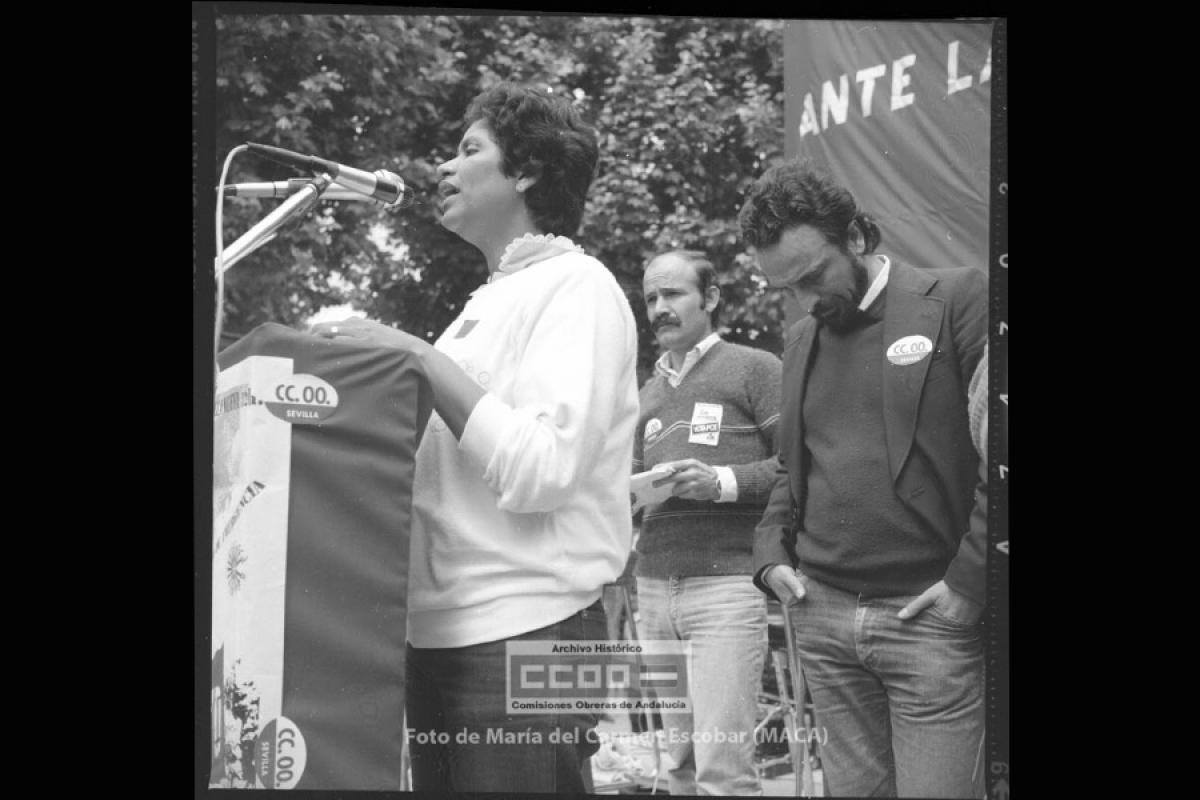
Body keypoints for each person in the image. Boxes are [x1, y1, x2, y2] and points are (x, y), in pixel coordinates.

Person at [310, 83, 639, 794]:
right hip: (441, 632)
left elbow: (544, 469)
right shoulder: (483, 304)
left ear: (525, 170)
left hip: (533, 627)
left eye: (468, 150)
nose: (444, 169)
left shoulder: (577, 285)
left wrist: (417, 357)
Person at [738, 159, 988, 798]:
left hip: (927, 619)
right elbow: (795, 465)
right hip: (822, 617)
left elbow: (1002, 458)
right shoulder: (800, 339)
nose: (804, 302)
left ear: (854, 235)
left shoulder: (959, 298)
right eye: (784, 289)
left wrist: (968, 581)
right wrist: (771, 557)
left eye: (813, 277)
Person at [632, 249, 781, 796]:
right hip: (651, 588)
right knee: (679, 768)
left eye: (673, 294)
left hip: (726, 588)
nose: (659, 308)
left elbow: (799, 466)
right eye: (651, 298)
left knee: (722, 770)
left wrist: (721, 482)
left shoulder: (756, 367)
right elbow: (625, 487)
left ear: (712, 298)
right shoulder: (646, 394)